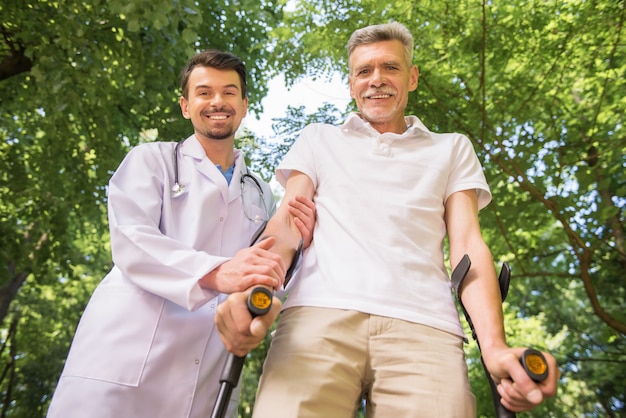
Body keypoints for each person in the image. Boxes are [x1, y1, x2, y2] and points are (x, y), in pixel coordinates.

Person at [215, 22, 559, 417]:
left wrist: (495, 347)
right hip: (318, 315)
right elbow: (287, 225)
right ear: (351, 84)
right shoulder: (318, 139)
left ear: (411, 78)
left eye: (390, 68)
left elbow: (468, 247)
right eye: (364, 71)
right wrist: (252, 291)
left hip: (425, 327)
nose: (376, 80)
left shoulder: (452, 149)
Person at [46, 49, 315, 418]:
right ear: (186, 106)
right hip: (122, 361)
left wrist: (299, 240)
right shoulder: (151, 160)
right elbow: (131, 240)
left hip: (204, 375)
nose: (217, 101)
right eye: (204, 92)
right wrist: (218, 272)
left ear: (245, 104)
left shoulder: (260, 192)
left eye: (229, 92)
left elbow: (264, 270)